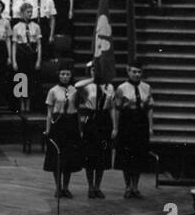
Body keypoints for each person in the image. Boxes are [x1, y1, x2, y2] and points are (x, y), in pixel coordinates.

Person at [114, 63, 153, 199]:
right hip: (127, 122)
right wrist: (116, 127)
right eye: (134, 72)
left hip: (141, 122)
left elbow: (149, 108)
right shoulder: (121, 88)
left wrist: (150, 126)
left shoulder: (146, 87)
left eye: (139, 72)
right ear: (128, 72)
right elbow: (117, 109)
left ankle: (136, 187)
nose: (137, 74)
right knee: (126, 155)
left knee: (139, 155)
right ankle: (127, 186)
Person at [44, 64, 82, 199]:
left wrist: (79, 129)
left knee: (69, 158)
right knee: (57, 157)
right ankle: (58, 187)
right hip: (58, 125)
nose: (65, 77)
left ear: (71, 76)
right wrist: (48, 128)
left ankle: (66, 187)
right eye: (62, 74)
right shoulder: (53, 91)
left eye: (67, 74)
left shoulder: (75, 91)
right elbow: (49, 113)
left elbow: (77, 111)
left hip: (71, 124)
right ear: (58, 75)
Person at [78, 61, 113, 199]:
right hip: (91, 119)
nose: (96, 72)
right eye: (93, 70)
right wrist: (94, 79)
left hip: (104, 119)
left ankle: (98, 186)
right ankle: (90, 186)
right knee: (90, 155)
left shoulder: (109, 86)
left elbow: (111, 107)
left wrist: (114, 126)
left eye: (99, 70)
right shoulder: (87, 86)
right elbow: (76, 86)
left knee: (101, 156)